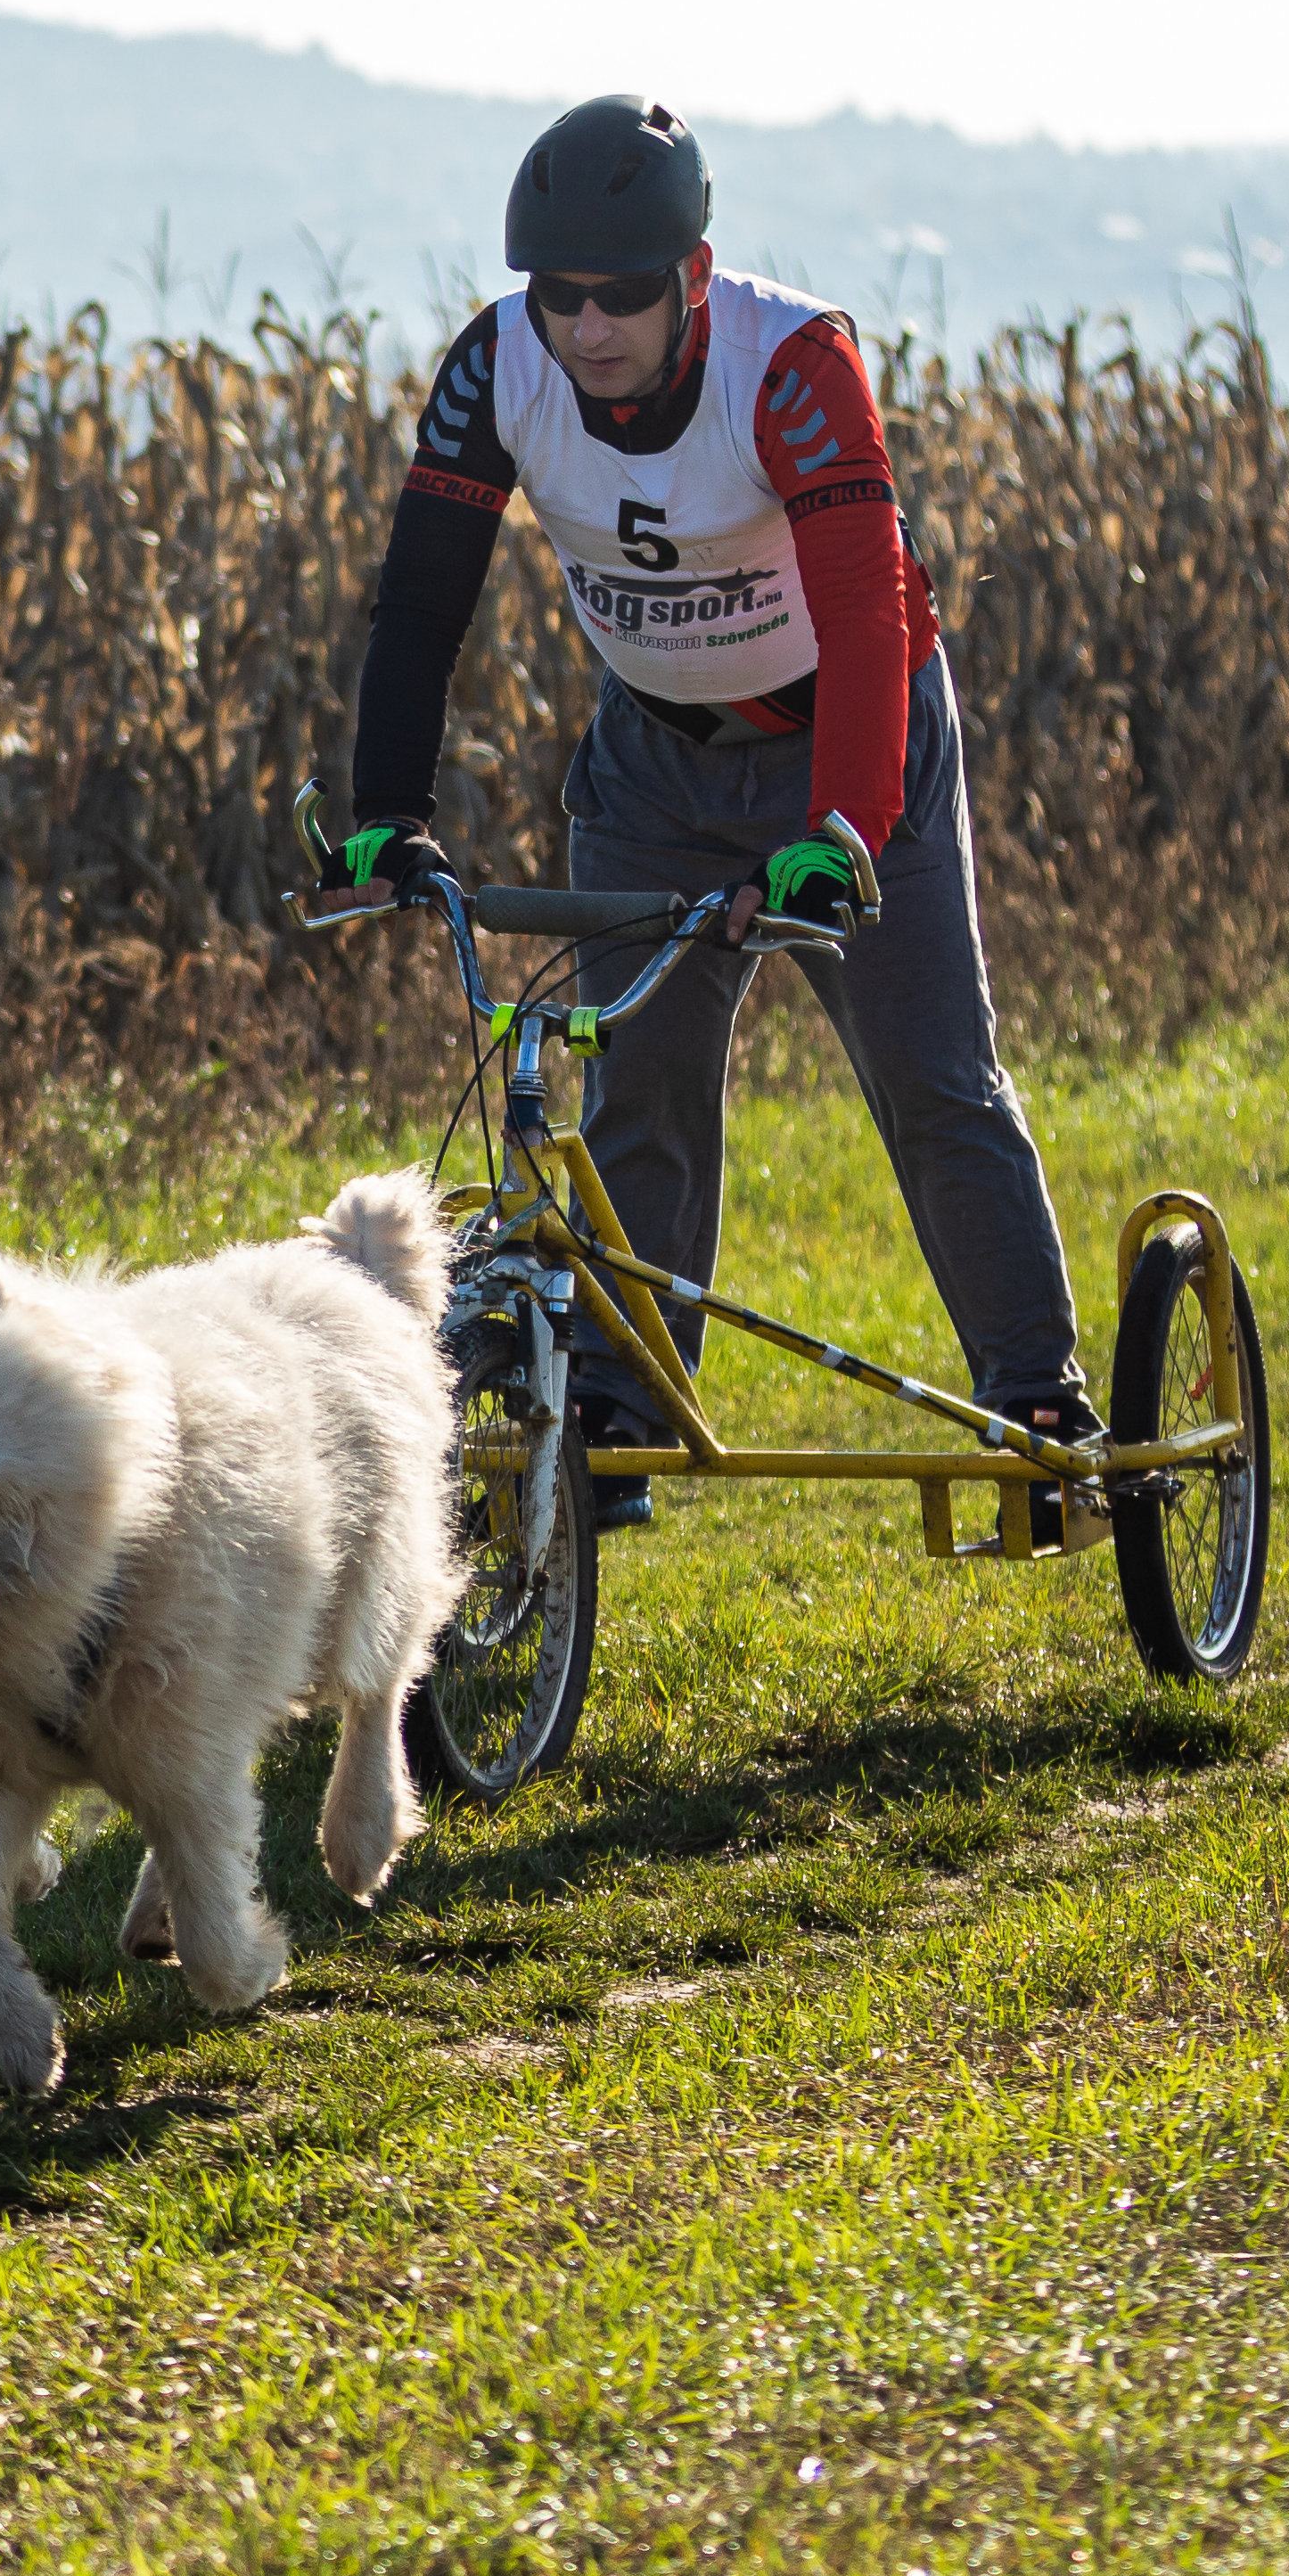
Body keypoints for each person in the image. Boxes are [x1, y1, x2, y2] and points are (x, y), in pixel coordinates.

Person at [335, 94, 1094, 1525]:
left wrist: (848, 831)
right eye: (560, 293)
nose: (590, 324)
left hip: (849, 745)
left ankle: (1039, 1398)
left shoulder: (793, 363)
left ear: (693, 273)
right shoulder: (499, 364)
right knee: (641, 1086)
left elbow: (870, 617)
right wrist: (385, 809)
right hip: (654, 763)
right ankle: (615, 1409)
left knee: (935, 1084)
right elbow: (423, 595)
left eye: (625, 292)